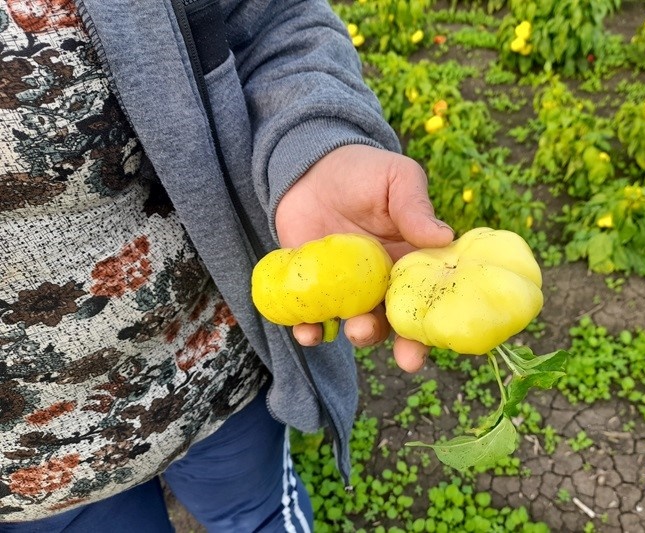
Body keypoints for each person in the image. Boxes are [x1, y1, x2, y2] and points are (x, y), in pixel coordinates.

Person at [0, 0, 453, 530]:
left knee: (256, 515)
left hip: (218, 373)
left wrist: (313, 143)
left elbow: (269, 21)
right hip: (33, 468)